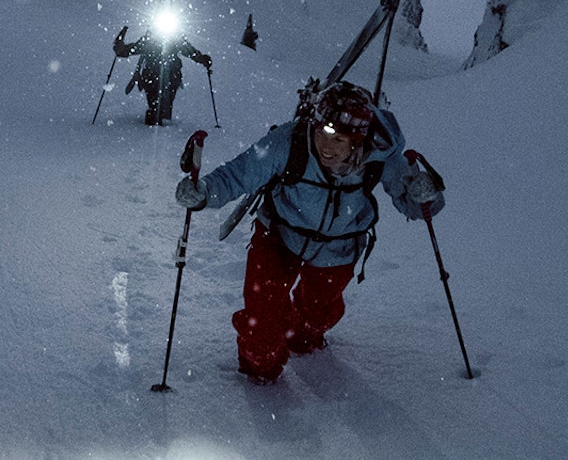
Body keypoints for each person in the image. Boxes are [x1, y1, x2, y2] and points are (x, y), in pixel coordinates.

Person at [174, 80, 443, 384]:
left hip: (337, 248)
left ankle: (298, 329)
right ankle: (262, 371)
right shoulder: (289, 141)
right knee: (261, 324)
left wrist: (427, 197)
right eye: (321, 132)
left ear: (358, 139)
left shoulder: (380, 156)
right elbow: (239, 174)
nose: (327, 146)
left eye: (339, 139)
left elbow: (416, 206)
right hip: (278, 235)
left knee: (311, 325)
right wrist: (203, 192)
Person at [113, 25, 211, 126]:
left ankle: (158, 121)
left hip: (169, 76)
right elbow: (130, 50)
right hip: (155, 76)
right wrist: (120, 47)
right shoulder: (151, 39)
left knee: (164, 104)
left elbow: (189, 51)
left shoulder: (173, 38)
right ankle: (156, 121)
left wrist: (201, 58)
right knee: (157, 103)